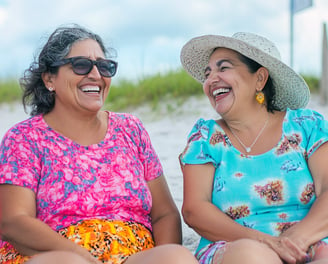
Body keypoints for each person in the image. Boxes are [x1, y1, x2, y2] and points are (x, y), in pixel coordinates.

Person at [0, 24, 198, 264]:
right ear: (49, 78)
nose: (96, 75)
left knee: (177, 257)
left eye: (104, 66)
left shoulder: (130, 130)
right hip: (56, 255)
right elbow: (13, 221)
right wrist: (84, 257)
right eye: (81, 65)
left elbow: (165, 214)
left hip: (133, 256)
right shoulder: (25, 138)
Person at [179, 32, 328, 264]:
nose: (211, 79)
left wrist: (295, 240)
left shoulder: (307, 126)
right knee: (250, 257)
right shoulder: (205, 137)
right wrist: (266, 242)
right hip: (237, 247)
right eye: (208, 74)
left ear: (260, 78)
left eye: (223, 68)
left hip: (311, 238)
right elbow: (194, 210)